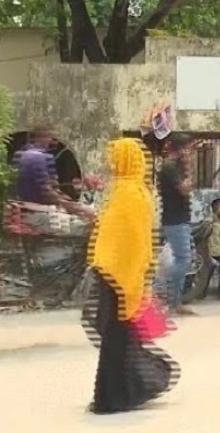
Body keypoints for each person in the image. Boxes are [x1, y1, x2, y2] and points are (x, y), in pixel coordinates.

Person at [84, 138, 179, 415]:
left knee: (116, 340)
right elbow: (135, 241)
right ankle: (115, 397)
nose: (111, 163)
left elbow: (129, 240)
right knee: (118, 340)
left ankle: (111, 397)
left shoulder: (125, 194)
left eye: (115, 158)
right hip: (120, 277)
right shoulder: (131, 193)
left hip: (114, 276)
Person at [15, 124, 93, 219]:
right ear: (39, 137)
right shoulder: (40, 157)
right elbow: (45, 192)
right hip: (38, 209)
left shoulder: (19, 153)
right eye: (50, 137)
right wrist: (68, 204)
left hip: (24, 205)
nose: (53, 141)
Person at [157, 134, 195, 316]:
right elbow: (185, 189)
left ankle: (175, 302)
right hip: (174, 219)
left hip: (179, 218)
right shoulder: (169, 167)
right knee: (182, 259)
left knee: (182, 259)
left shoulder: (174, 167)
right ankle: (164, 293)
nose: (191, 153)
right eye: (189, 148)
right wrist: (189, 169)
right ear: (182, 148)